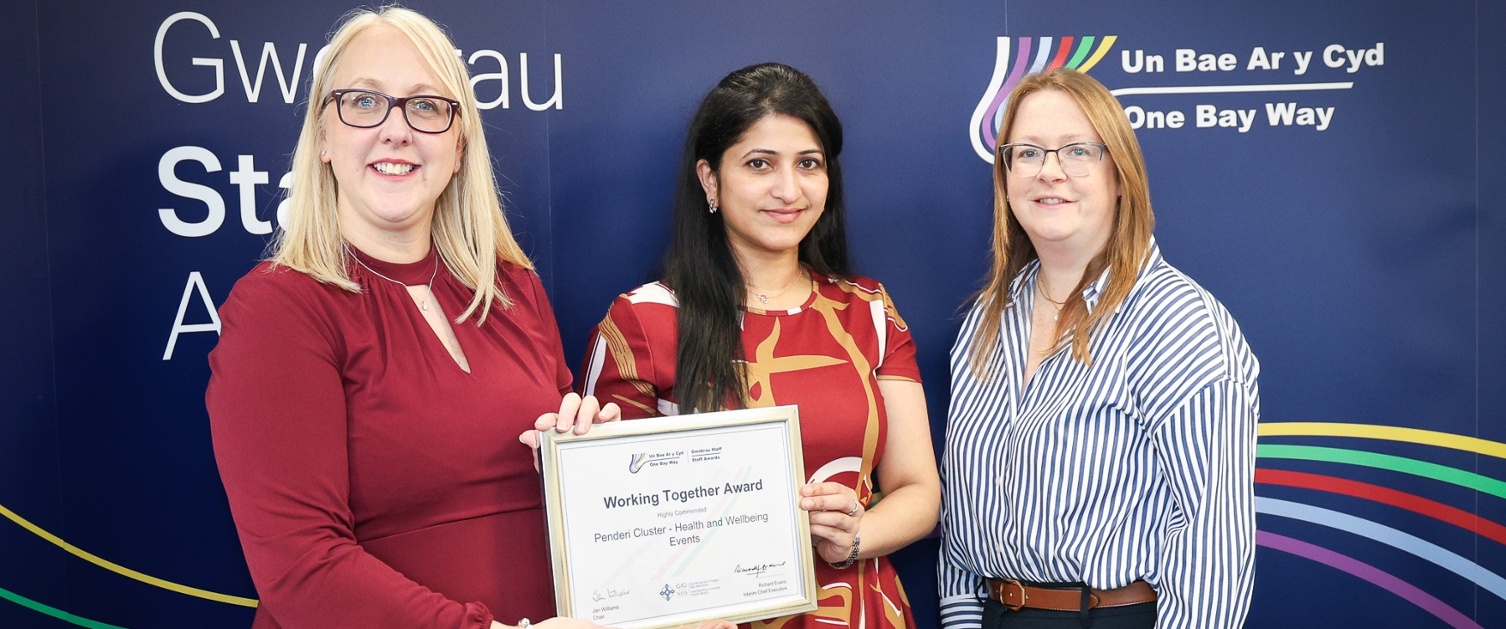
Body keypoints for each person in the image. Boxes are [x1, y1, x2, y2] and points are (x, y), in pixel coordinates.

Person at [205, 7, 620, 628]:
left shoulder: (512, 288)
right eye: (364, 102)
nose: (396, 130)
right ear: (322, 136)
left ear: (458, 146)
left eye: (426, 107)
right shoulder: (279, 309)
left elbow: (567, 509)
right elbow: (302, 569)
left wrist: (590, 455)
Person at [578, 63, 942, 629]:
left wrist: (853, 536)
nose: (788, 190)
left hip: (862, 610)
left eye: (808, 165)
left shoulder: (867, 311)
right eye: (759, 164)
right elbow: (610, 529)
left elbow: (919, 490)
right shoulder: (643, 322)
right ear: (709, 179)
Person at [938, 68, 1260, 629]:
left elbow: (1213, 538)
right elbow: (962, 528)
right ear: (1007, 175)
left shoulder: (1176, 320)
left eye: (1078, 150)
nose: (1051, 172)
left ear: (1119, 175)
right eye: (1028, 153)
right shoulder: (986, 323)